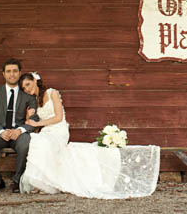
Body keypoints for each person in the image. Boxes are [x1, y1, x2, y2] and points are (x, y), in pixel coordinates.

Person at [18, 72, 161, 199]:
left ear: (35, 81)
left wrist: (37, 124)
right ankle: (42, 182)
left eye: (28, 84)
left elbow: (58, 117)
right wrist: (29, 116)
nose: (27, 89)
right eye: (24, 88)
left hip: (58, 129)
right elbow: (31, 124)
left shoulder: (52, 92)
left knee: (43, 141)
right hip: (46, 131)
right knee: (37, 140)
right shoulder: (34, 102)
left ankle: (45, 182)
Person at [0, 58, 38, 194]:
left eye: (15, 71)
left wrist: (20, 130)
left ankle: (17, 181)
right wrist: (0, 131)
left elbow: (34, 118)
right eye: (8, 71)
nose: (12, 74)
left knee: (26, 144)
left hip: (19, 133)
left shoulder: (27, 94)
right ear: (3, 74)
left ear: (20, 73)